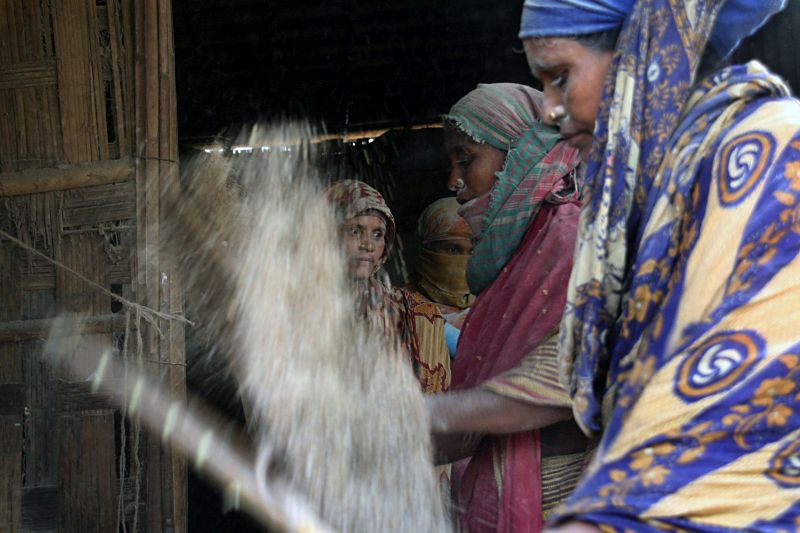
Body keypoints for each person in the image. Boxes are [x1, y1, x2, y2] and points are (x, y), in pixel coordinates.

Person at [519, 1, 800, 531]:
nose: (547, 109)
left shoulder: (776, 151)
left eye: (559, 77)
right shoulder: (637, 203)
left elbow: (749, 403)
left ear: (640, 56)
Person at [424, 83, 588, 533]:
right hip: (513, 488)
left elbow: (572, 367)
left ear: (519, 153)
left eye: (467, 158)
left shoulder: (574, 237)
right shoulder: (513, 255)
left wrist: (428, 415)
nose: (453, 183)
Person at [326, 179, 451, 394]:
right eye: (355, 231)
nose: (368, 245)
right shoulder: (296, 306)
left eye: (378, 234)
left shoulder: (413, 311)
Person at [409, 197, 475, 356]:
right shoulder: (395, 309)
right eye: (452, 250)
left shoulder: (497, 311)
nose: (463, 261)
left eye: (472, 251)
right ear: (426, 251)